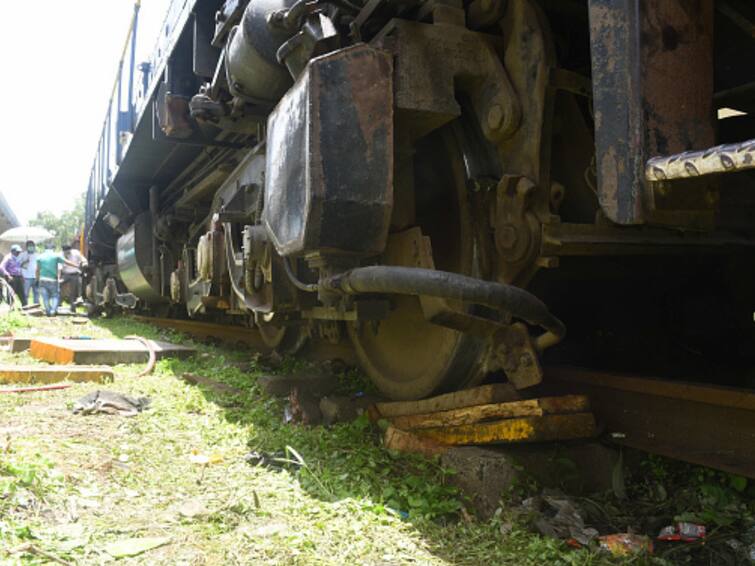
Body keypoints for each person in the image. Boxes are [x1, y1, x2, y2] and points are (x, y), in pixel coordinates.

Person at [35, 243, 76, 316]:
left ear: (45, 249)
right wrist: (77, 265)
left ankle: (48, 311)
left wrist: (37, 279)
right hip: (53, 280)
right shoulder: (56, 256)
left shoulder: (40, 257)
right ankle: (53, 311)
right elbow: (67, 262)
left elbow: (37, 270)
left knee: (45, 297)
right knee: (55, 296)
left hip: (42, 279)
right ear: (53, 249)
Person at [61, 243, 88, 312]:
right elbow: (59, 267)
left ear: (70, 250)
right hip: (65, 274)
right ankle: (58, 303)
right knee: (58, 286)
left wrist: (84, 262)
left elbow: (83, 259)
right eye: (65, 252)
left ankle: (73, 306)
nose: (67, 253)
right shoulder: (61, 255)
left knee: (73, 291)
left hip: (75, 274)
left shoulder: (76, 253)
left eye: (68, 252)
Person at [18, 240, 39, 305]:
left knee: (36, 293)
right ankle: (25, 306)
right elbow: (17, 265)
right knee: (26, 293)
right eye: (29, 246)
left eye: (32, 246)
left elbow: (39, 266)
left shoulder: (37, 255)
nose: (31, 247)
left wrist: (38, 277)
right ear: (26, 247)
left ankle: (36, 306)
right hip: (26, 277)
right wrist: (25, 261)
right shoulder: (22, 254)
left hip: (35, 276)